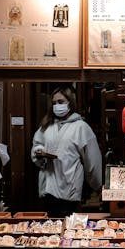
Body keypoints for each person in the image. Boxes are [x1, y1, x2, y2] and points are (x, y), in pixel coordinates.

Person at [31, 86, 102, 217]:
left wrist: (98, 186)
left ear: (70, 103)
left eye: (61, 102)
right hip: (48, 188)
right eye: (54, 103)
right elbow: (37, 145)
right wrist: (39, 153)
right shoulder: (47, 126)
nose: (57, 106)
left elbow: (92, 160)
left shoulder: (81, 127)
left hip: (70, 188)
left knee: (69, 228)